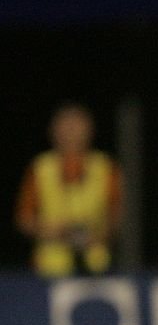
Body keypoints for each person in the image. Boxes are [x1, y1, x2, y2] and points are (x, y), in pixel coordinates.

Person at [15, 102, 121, 277]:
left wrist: (98, 235)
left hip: (96, 265)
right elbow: (24, 220)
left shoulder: (105, 167)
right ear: (52, 130)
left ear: (90, 129)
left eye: (77, 125)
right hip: (49, 266)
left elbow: (117, 215)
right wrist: (57, 232)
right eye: (65, 125)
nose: (71, 132)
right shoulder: (40, 168)